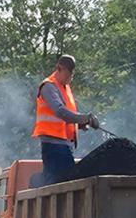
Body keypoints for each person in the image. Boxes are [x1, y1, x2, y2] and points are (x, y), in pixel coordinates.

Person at [34, 54, 99, 186]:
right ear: (60, 68)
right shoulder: (48, 86)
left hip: (65, 145)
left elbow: (67, 118)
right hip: (53, 146)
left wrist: (82, 124)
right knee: (58, 183)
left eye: (72, 75)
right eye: (68, 74)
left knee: (67, 182)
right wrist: (85, 118)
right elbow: (60, 111)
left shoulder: (65, 88)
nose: (70, 78)